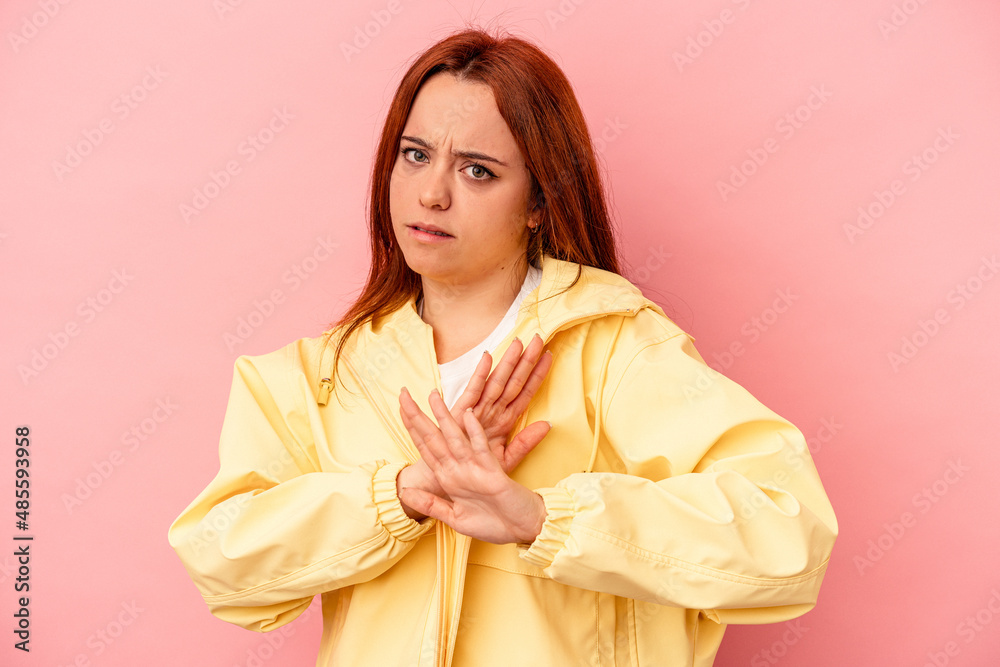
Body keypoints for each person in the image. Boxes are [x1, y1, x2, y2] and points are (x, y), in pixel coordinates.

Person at [168, 27, 837, 667]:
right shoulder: (314, 376)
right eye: (415, 154)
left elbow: (789, 532)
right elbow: (221, 560)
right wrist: (402, 493)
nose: (431, 193)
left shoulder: (618, 350)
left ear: (539, 200)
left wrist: (546, 517)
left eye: (479, 171)